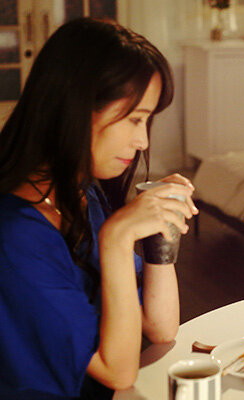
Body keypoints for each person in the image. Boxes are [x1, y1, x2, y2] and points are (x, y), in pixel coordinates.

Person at [0, 18, 198, 399]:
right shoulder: (16, 234)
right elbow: (117, 371)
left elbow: (160, 328)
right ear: (76, 108)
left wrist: (162, 228)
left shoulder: (82, 193)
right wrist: (117, 238)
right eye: (135, 119)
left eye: (146, 121)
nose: (142, 141)